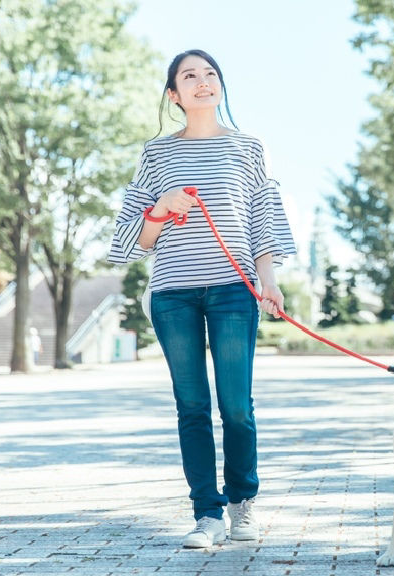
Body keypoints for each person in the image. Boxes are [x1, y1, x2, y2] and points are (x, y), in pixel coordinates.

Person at [108, 49, 296, 549]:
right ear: (174, 94)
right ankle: (207, 515)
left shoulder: (249, 148)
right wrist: (159, 209)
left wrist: (269, 280)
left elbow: (262, 218)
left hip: (235, 292)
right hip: (173, 294)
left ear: (220, 86)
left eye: (209, 74)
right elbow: (133, 240)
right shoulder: (156, 154)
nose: (202, 82)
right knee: (192, 406)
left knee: (236, 405)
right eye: (189, 76)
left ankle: (243, 505)